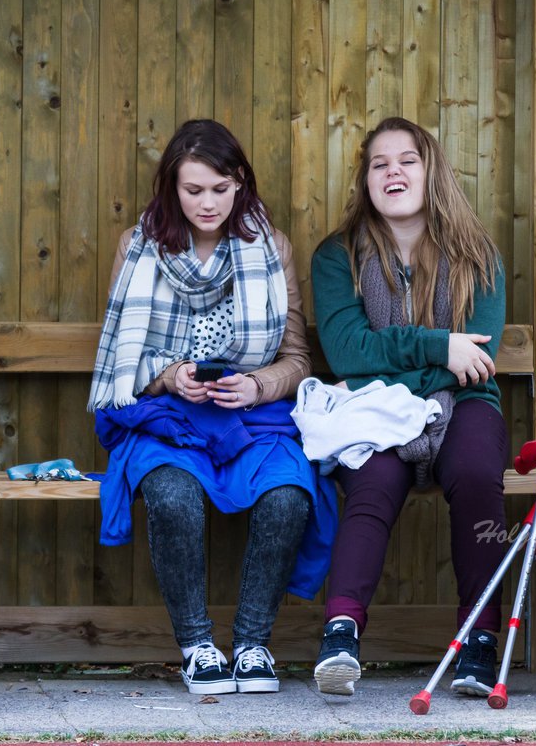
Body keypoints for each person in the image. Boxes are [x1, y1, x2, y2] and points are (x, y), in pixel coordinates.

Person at [88, 119, 337, 696]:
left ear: (240, 183)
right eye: (193, 189)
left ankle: (252, 645)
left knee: (288, 495)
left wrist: (257, 386)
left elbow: (296, 357)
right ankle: (197, 646)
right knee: (172, 497)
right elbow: (124, 354)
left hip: (252, 415)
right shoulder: (138, 245)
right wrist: (170, 376)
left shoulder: (271, 248)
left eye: (220, 189)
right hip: (167, 416)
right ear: (171, 187)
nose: (207, 202)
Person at [309, 116, 508, 698]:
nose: (393, 171)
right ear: (366, 181)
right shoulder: (336, 258)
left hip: (466, 402)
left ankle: (478, 640)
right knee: (371, 481)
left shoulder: (477, 255)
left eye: (407, 160)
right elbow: (348, 355)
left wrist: (412, 360)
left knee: (476, 475)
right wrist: (437, 345)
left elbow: (476, 363)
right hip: (375, 408)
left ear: (431, 172)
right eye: (379, 164)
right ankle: (340, 635)